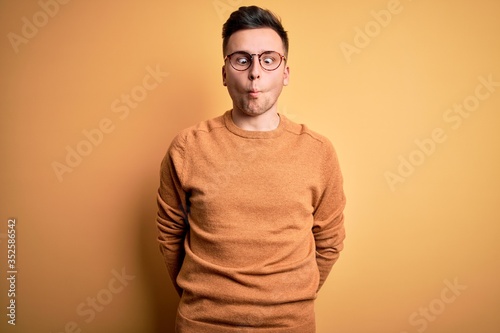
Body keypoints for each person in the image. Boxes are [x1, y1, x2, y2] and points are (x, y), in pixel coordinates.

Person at [156, 5, 346, 332]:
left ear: (285, 72)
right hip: (202, 325)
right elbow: (170, 233)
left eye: (268, 59)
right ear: (225, 73)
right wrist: (202, 298)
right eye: (241, 59)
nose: (255, 72)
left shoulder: (318, 152)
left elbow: (329, 241)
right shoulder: (188, 147)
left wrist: (290, 300)